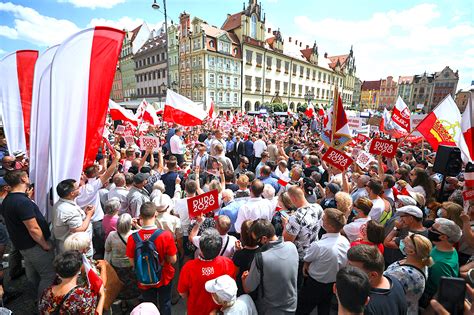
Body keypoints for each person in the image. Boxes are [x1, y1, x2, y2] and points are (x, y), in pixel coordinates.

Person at [2, 170, 55, 299]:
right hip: (34, 245)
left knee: (32, 274)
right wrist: (45, 244)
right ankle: (44, 304)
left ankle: (35, 298)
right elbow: (33, 229)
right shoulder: (22, 202)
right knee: (48, 275)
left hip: (23, 245)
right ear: (24, 179)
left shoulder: (8, 200)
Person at [126, 202, 178, 315]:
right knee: (165, 303)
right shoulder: (166, 235)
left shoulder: (132, 238)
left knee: (148, 305)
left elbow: (131, 262)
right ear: (155, 214)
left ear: (140, 217)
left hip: (144, 278)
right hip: (164, 276)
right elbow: (173, 260)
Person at [297, 208, 350, 315]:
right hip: (332, 284)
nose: (321, 220)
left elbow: (307, 258)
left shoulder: (319, 246)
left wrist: (306, 264)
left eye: (323, 219)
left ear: (330, 226)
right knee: (324, 308)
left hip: (315, 284)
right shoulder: (345, 241)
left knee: (303, 309)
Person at [242, 219, 298, 314]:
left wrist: (244, 278)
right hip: (292, 305)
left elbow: (248, 288)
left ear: (264, 239)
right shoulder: (292, 246)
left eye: (257, 240)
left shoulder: (261, 258)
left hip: (270, 309)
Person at [178, 228, 236, 315]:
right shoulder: (228, 263)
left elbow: (182, 293)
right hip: (219, 311)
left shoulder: (188, 267)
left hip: (196, 310)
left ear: (200, 247)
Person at [76, 152, 120, 259]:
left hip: (83, 222)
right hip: (96, 221)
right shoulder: (90, 188)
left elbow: (101, 173)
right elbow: (108, 173)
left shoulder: (74, 192)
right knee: (99, 245)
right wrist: (116, 159)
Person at [38, 250, 105, 315]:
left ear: (58, 273)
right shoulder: (83, 296)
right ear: (78, 270)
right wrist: (102, 296)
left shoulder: (47, 292)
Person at [347, 244, 407, 315]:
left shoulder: (366, 306)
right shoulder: (395, 282)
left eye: (353, 269)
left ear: (373, 275)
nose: (347, 270)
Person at [283, 185, 323, 289]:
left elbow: (287, 241)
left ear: (294, 199)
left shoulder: (295, 218)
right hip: (314, 251)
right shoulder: (318, 207)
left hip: (300, 257)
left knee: (298, 284)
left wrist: (286, 226)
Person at [384, 234, 433, 315]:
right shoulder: (421, 262)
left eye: (404, 242)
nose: (400, 242)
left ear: (411, 251)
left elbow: (385, 292)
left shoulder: (402, 274)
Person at [419, 218, 462, 308]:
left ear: (443, 237)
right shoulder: (449, 249)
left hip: (428, 299)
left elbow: (441, 291)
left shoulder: (440, 264)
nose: (429, 229)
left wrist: (429, 310)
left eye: (433, 229)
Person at [52, 178, 94, 256]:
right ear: (72, 193)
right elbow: (79, 230)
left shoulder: (60, 204)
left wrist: (84, 214)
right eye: (77, 188)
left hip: (68, 246)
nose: (80, 188)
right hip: (75, 249)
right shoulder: (69, 210)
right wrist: (89, 215)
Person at [104, 213, 139, 301]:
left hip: (116, 264)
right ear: (130, 224)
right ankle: (133, 300)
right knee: (131, 283)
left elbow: (107, 249)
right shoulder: (135, 235)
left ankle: (122, 301)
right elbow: (145, 231)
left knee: (120, 283)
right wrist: (137, 225)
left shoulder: (112, 235)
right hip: (130, 264)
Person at [232, 220, 259, 297]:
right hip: (257, 290)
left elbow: (235, 273)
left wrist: (239, 252)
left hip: (242, 292)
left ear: (242, 235)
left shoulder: (238, 255)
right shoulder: (262, 251)